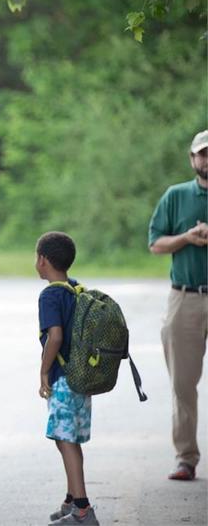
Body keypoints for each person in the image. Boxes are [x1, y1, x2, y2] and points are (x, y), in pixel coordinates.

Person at [148, 129, 208, 482]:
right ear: (192, 159)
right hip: (184, 298)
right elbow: (155, 243)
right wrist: (187, 237)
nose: (206, 160)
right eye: (202, 154)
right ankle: (186, 457)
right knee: (183, 384)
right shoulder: (176, 196)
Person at [35, 232, 99, 526]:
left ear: (43, 260)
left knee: (65, 440)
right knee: (69, 441)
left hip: (63, 379)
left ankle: (83, 511)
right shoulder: (76, 288)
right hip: (81, 378)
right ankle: (72, 500)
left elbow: (55, 336)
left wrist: (44, 370)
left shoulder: (50, 295)